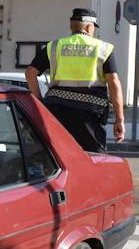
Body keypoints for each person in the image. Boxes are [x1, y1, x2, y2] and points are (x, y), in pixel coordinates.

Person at [24, 8, 125, 152]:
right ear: (90, 27)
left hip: (56, 111)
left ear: (71, 26)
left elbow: (30, 72)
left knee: (59, 155)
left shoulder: (54, 47)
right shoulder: (103, 48)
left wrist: (39, 100)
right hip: (89, 115)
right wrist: (119, 119)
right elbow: (114, 83)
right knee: (92, 158)